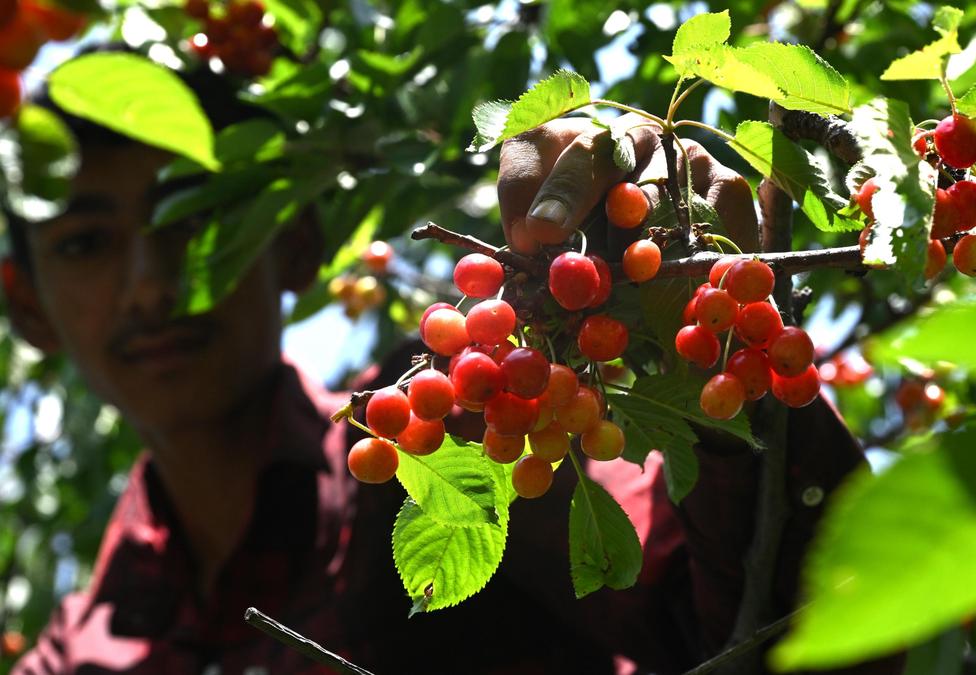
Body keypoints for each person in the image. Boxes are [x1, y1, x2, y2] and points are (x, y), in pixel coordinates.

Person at [5, 56, 903, 674]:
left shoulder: (463, 431)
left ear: (298, 242)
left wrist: (715, 382)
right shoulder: (70, 654)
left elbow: (825, 638)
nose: (151, 287)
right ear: (27, 307)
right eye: (85, 243)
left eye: (191, 220)